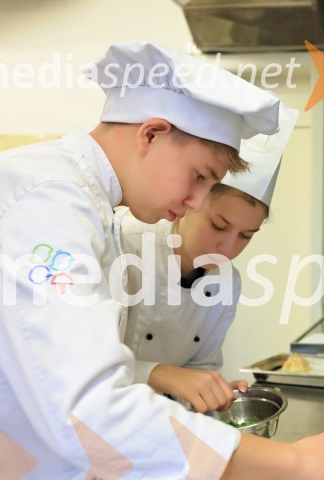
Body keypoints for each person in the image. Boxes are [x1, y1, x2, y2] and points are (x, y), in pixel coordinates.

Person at [0, 42, 324, 480]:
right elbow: (91, 412)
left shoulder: (85, 203)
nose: (194, 202)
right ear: (152, 132)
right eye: (199, 177)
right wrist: (294, 462)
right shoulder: (40, 196)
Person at [117, 105, 298, 413]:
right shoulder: (126, 245)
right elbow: (83, 364)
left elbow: (201, 365)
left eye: (246, 235)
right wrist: (164, 375)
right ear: (193, 200)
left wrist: (213, 391)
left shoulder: (226, 282)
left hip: (165, 424)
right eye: (218, 225)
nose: (227, 248)